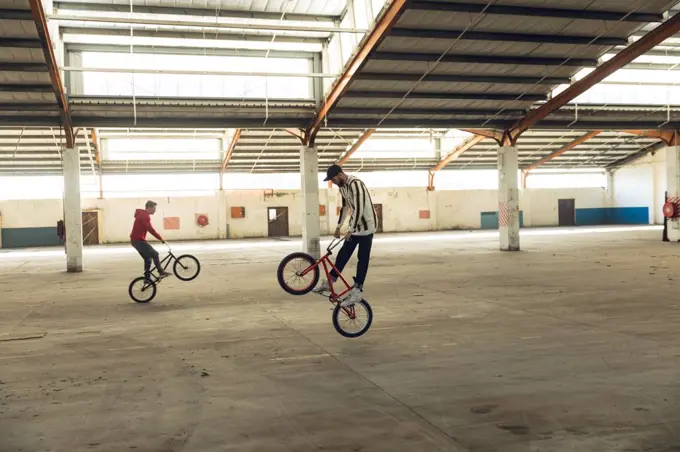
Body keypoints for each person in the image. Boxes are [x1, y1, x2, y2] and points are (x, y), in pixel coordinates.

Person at [315, 164, 377, 306]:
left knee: (363, 258)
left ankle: (357, 290)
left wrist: (350, 230)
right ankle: (330, 281)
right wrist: (338, 227)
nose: (334, 183)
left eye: (334, 180)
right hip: (355, 227)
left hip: (367, 227)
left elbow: (360, 208)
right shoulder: (343, 188)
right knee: (344, 253)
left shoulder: (356, 184)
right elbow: (345, 207)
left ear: (340, 175)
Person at [130, 200, 171, 279]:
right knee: (155, 254)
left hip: (135, 240)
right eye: (154, 208)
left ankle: (147, 279)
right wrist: (160, 238)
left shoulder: (143, 214)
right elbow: (150, 229)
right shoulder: (145, 216)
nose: (155, 210)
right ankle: (161, 272)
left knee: (148, 258)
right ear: (149, 208)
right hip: (138, 241)